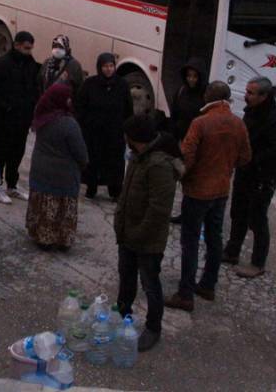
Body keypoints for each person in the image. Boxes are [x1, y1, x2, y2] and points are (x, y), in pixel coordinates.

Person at [165, 81, 251, 312]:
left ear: (207, 97)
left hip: (197, 192)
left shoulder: (200, 123)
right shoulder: (238, 124)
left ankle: (185, 293)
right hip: (221, 191)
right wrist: (225, 168)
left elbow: (187, 157)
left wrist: (180, 176)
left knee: (190, 242)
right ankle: (208, 285)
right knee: (214, 239)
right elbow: (245, 158)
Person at [115, 114, 181, 353]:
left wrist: (139, 233)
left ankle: (153, 327)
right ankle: (122, 314)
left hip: (147, 239)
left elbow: (159, 209)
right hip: (129, 233)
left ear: (137, 139)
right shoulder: (138, 157)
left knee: (150, 283)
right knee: (126, 277)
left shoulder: (159, 165)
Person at [224, 77, 276, 279]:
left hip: (262, 178)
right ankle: (231, 252)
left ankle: (258, 263)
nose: (246, 96)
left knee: (258, 219)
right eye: (247, 91)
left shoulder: (275, 118)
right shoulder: (252, 111)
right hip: (245, 173)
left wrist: (254, 159)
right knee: (238, 213)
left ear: (264, 96)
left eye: (251, 93)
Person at [26, 83, 89, 251]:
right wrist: (84, 165)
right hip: (64, 176)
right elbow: (80, 153)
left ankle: (43, 237)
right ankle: (62, 239)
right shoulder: (69, 124)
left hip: (41, 171)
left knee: (44, 205)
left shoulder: (42, 116)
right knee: (62, 208)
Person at [0, 31, 40, 203]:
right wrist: (6, 106)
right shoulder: (1, 64)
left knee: (17, 152)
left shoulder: (31, 64)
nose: (28, 51)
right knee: (0, 153)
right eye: (26, 48)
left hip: (23, 119)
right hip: (5, 119)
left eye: (31, 48)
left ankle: (12, 185)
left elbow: (34, 89)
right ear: (16, 45)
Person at [76, 53, 133, 201]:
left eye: (111, 66)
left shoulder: (122, 85)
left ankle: (115, 191)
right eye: (105, 66)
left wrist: (127, 130)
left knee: (114, 162)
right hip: (94, 132)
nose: (108, 69)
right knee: (93, 160)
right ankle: (91, 187)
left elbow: (128, 109)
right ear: (99, 67)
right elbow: (81, 107)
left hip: (114, 133)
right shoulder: (90, 84)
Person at [169, 59, 208, 224]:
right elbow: (175, 116)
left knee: (196, 180)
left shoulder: (206, 95)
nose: (192, 79)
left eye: (195, 76)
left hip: (199, 145)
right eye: (189, 76)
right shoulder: (181, 91)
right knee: (184, 179)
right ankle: (185, 213)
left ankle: (197, 214)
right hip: (182, 142)